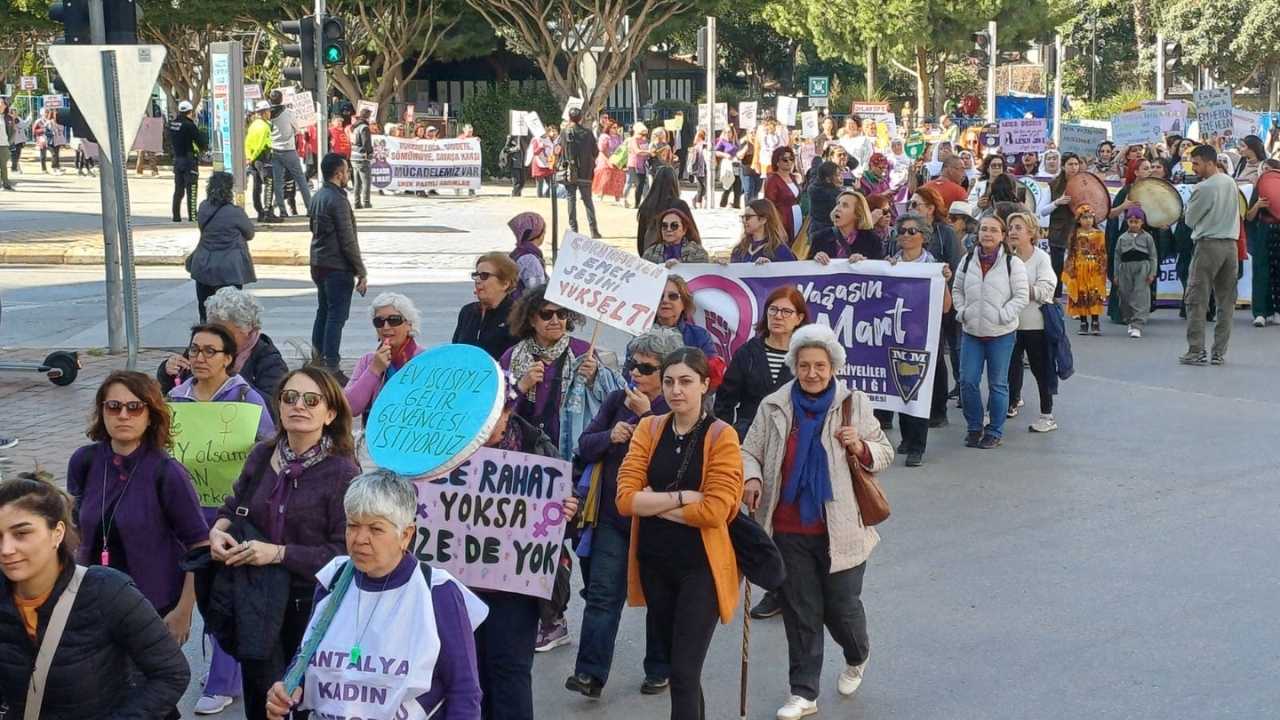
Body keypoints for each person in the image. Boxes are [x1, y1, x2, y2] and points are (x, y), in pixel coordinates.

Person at [738, 324, 893, 720]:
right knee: (801, 613)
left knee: (841, 609)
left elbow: (884, 451)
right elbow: (748, 451)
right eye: (804, 365)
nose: (811, 373)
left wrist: (859, 445)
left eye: (819, 365)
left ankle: (857, 654)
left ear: (833, 366)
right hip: (787, 528)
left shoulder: (853, 404)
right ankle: (803, 692)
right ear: (794, 366)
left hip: (841, 529)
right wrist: (752, 477)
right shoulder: (774, 405)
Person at [264, 470, 485, 720]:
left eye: (376, 529)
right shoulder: (333, 580)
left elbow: (464, 691)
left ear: (405, 535)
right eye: (353, 525)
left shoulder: (437, 591)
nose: (360, 539)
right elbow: (306, 659)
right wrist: (286, 691)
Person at [208, 367, 360, 720]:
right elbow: (233, 505)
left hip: (308, 604)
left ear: (330, 412)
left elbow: (344, 553)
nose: (299, 407)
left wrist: (278, 554)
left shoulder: (342, 472)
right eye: (290, 398)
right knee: (261, 699)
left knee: (303, 701)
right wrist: (219, 529)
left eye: (311, 400)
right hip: (255, 596)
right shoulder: (263, 455)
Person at [616, 347, 744, 720]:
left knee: (685, 673)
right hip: (655, 566)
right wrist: (683, 498)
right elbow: (625, 500)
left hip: (700, 569)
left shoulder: (722, 436)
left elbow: (716, 510)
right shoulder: (649, 427)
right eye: (669, 381)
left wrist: (654, 502)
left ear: (705, 385)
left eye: (686, 382)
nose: (676, 390)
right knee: (678, 668)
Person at [0, 474, 191, 719]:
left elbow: (172, 673)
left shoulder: (107, 592)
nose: (6, 550)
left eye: (21, 534)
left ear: (57, 533)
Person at [568, 328, 684, 698]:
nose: (635, 373)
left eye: (646, 368)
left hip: (659, 521)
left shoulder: (680, 406)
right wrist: (609, 437)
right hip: (613, 518)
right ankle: (590, 674)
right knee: (602, 595)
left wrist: (647, 417)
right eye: (632, 363)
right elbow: (584, 446)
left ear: (666, 373)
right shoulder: (618, 398)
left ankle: (659, 667)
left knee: (660, 598)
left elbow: (676, 459)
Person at [67, 372, 209, 655]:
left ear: (150, 414)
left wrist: (184, 610)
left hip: (152, 604)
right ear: (102, 411)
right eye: (113, 406)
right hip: (92, 600)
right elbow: (72, 530)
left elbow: (200, 547)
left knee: (149, 692)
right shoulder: (84, 461)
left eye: (134, 407)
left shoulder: (167, 473)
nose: (123, 415)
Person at [877, 212, 954, 465]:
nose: (906, 236)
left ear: (924, 236)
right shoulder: (890, 264)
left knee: (917, 389)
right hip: (895, 334)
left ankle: (917, 446)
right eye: (902, 231)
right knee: (899, 389)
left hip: (921, 337)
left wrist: (942, 281)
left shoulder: (934, 267)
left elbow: (945, 308)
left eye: (912, 231)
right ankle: (907, 438)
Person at [951, 216, 1029, 449]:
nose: (987, 234)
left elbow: (1021, 296)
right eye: (984, 229)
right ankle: (974, 427)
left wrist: (1003, 315)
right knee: (967, 381)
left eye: (994, 230)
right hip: (971, 332)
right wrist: (963, 311)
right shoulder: (967, 260)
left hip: (1001, 334)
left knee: (998, 384)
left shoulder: (1012, 263)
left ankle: (994, 430)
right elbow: (957, 289)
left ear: (1002, 235)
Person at [158, 287, 288, 409]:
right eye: (214, 331)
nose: (218, 339)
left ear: (249, 330)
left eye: (226, 334)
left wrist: (227, 381)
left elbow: (274, 407)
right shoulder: (203, 347)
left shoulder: (269, 360)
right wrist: (168, 370)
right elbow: (172, 388)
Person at [1180, 144, 1241, 366]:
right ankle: (1219, 352)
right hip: (1230, 246)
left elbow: (1189, 219)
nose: (1193, 168)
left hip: (1208, 245)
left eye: (1196, 163)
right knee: (1226, 301)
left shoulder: (1203, 188)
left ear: (1209, 162)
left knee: (1197, 299)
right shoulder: (1230, 182)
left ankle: (1196, 350)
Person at [309, 153, 368, 377]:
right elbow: (347, 239)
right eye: (346, 171)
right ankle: (331, 365)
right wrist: (360, 271)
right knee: (336, 317)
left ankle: (317, 359)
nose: (348, 175)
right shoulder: (337, 200)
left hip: (319, 262)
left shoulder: (319, 196)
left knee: (323, 312)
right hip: (336, 266)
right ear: (338, 173)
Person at [168, 323, 276, 439]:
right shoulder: (176, 398)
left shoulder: (245, 398)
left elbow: (268, 443)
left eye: (209, 351)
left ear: (227, 359)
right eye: (194, 350)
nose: (199, 359)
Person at [1004, 213, 1060, 434]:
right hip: (1010, 323)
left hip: (1035, 324)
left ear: (1031, 233)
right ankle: (1010, 402)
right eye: (1011, 227)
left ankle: (1047, 415)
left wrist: (1022, 289)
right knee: (1010, 367)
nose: (1013, 232)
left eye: (1019, 227)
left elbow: (1047, 290)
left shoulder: (1041, 258)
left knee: (1041, 369)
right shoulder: (1007, 257)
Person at [345, 292, 428, 420]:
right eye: (379, 322)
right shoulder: (367, 361)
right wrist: (374, 370)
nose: (386, 327)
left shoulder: (425, 360)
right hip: (373, 436)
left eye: (394, 320)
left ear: (409, 324)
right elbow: (349, 408)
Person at [189, 171, 257, 322]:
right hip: (229, 269)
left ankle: (205, 337)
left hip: (204, 265)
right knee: (230, 313)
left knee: (205, 309)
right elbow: (250, 233)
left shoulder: (203, 208)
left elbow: (202, 227)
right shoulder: (235, 213)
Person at [454, 251, 520, 360]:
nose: (478, 281)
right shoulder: (467, 312)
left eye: (484, 276)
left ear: (505, 283)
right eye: (476, 275)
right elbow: (455, 350)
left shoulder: (517, 315)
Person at [1040, 152, 1084, 297]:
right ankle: (1055, 299)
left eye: (1076, 164)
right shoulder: (1053, 185)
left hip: (1079, 232)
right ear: (1063, 167)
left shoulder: (1084, 183)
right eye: (1070, 164)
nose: (1074, 167)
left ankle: (1079, 304)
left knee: (1079, 269)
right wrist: (1057, 202)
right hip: (1058, 233)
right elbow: (1043, 211)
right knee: (1056, 269)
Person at [1113, 208, 1160, 338]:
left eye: (1137, 221)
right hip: (1126, 268)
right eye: (1131, 221)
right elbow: (1117, 257)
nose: (1133, 224)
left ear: (1142, 222)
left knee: (1140, 295)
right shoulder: (1122, 238)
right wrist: (1116, 274)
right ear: (1127, 222)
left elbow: (1153, 256)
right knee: (1125, 294)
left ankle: (1137, 324)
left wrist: (1152, 273)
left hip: (1142, 268)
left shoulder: (1148, 237)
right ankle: (1129, 319)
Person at [1245, 160, 1280, 327]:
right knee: (1261, 270)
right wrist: (1258, 205)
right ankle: (1260, 312)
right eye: (1264, 169)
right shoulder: (1256, 190)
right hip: (1264, 230)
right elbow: (1249, 217)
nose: (1266, 172)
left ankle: (1278, 311)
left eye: (1270, 169)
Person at [267, 90, 312, 217]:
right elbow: (297, 129)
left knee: (278, 181)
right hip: (289, 150)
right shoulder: (288, 113)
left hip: (274, 150)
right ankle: (309, 208)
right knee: (301, 180)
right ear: (281, 99)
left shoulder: (268, 114)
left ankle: (282, 211)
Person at [1064, 205, 1107, 335]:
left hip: (1094, 268)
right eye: (1084, 218)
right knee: (1081, 294)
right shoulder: (1075, 235)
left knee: (1094, 293)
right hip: (1079, 268)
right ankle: (1083, 322)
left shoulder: (1099, 234)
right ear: (1078, 220)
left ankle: (1095, 321)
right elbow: (1071, 254)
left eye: (1090, 217)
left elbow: (1102, 253)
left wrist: (1102, 269)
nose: (1088, 220)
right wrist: (1070, 271)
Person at [653, 275, 717, 360]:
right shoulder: (640, 334)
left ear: (684, 303)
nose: (665, 300)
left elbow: (710, 370)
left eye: (673, 296)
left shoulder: (700, 336)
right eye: (660, 296)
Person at [810, 189, 883, 262]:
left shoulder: (872, 241)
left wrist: (865, 263)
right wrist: (815, 259)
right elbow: (807, 269)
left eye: (845, 205)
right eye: (838, 204)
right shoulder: (819, 238)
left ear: (858, 214)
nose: (837, 208)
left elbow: (879, 269)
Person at [561, 107, 602, 238]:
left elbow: (560, 150)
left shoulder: (564, 132)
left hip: (569, 170)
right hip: (585, 171)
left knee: (570, 199)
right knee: (587, 201)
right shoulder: (588, 133)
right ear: (581, 118)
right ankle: (593, 230)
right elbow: (595, 152)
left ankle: (574, 229)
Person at [636, 164, 691, 255]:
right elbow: (692, 234)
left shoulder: (646, 206)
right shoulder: (680, 206)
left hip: (650, 256)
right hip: (676, 257)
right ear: (675, 183)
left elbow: (640, 240)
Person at [169, 100, 207, 223]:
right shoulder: (189, 125)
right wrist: (203, 148)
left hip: (177, 160)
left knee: (178, 189)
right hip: (189, 160)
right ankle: (193, 216)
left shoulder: (173, 124)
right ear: (190, 112)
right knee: (192, 188)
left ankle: (176, 216)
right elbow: (200, 142)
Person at [731, 199, 798, 264]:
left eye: (748, 217)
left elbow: (792, 272)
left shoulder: (780, 250)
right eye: (743, 217)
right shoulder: (739, 249)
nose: (744, 220)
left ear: (763, 220)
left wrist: (771, 268)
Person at [245, 100, 280, 223]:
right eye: (269, 111)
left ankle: (260, 212)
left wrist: (249, 157)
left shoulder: (253, 125)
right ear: (264, 113)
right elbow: (260, 145)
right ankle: (267, 212)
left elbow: (247, 143)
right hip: (263, 158)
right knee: (269, 184)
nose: (270, 113)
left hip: (254, 159)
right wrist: (253, 157)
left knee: (257, 187)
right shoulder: (265, 126)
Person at [642, 207, 710, 267]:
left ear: (684, 230)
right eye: (664, 226)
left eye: (674, 225)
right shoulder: (650, 253)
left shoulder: (697, 252)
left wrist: (680, 267)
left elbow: (703, 276)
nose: (668, 229)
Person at [764, 145, 804, 242]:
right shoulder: (772, 180)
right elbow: (769, 205)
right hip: (783, 219)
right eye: (785, 160)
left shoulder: (793, 177)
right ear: (777, 162)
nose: (789, 162)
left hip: (797, 216)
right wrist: (778, 226)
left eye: (791, 159)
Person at [509, 211, 548, 295]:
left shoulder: (518, 252)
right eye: (544, 231)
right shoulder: (529, 259)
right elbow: (537, 294)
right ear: (539, 233)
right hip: (523, 306)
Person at [806, 161, 843, 239]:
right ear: (828, 179)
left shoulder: (815, 186)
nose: (841, 177)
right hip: (826, 235)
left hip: (815, 230)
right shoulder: (831, 196)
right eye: (838, 175)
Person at [592, 118, 625, 203]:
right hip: (605, 159)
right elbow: (602, 149)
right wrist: (608, 160)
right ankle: (600, 195)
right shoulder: (604, 136)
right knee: (605, 178)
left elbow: (621, 148)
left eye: (616, 127)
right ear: (609, 128)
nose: (616, 129)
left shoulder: (618, 137)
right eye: (613, 127)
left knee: (617, 178)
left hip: (616, 160)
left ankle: (617, 197)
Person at [350, 107, 374, 209]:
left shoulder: (355, 127)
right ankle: (366, 202)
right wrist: (370, 153)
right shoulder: (364, 127)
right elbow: (366, 143)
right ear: (367, 116)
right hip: (362, 157)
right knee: (366, 181)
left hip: (354, 156)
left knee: (357, 182)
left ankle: (356, 202)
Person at [625, 122, 651, 207]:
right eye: (641, 134)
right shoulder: (633, 140)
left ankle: (644, 202)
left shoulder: (645, 140)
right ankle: (625, 199)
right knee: (630, 183)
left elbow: (645, 152)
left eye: (645, 134)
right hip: (633, 164)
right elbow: (637, 151)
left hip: (642, 165)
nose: (643, 136)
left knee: (642, 184)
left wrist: (647, 153)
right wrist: (648, 152)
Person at [529, 123, 559, 198]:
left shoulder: (550, 138)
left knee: (549, 184)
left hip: (549, 163)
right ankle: (539, 199)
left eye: (545, 128)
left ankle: (548, 199)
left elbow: (554, 148)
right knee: (540, 185)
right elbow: (534, 152)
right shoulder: (536, 139)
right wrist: (541, 146)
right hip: (539, 164)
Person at [715, 126, 742, 208]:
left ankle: (737, 204)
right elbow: (716, 151)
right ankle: (722, 204)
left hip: (736, 164)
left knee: (738, 186)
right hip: (728, 165)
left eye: (729, 132)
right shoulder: (722, 141)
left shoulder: (736, 142)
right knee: (727, 186)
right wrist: (724, 155)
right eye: (726, 132)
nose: (728, 133)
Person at [503, 132, 530, 197]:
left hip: (524, 161)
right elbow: (506, 149)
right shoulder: (511, 136)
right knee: (516, 182)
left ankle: (516, 193)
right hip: (515, 162)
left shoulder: (525, 136)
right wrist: (514, 149)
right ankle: (515, 195)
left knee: (522, 181)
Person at [738, 128, 761, 203]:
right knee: (748, 191)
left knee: (756, 192)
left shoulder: (760, 143)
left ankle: (754, 210)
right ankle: (748, 209)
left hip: (757, 171)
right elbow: (739, 156)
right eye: (751, 132)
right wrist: (746, 148)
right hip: (746, 171)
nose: (753, 134)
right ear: (747, 134)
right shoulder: (744, 143)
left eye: (755, 132)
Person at [0, 98, 14, 191]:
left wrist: (9, 142)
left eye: (2, 103)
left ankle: (6, 184)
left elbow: (12, 131)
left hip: (4, 144)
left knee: (3, 166)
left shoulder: (8, 118)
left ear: (5, 106)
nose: (0, 105)